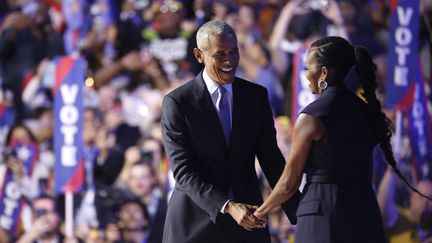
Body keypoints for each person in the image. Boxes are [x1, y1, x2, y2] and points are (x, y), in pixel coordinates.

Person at [161, 20, 300, 243]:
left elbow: (271, 159)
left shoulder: (256, 96)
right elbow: (183, 171)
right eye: (220, 55)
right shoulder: (178, 102)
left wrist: (300, 212)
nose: (230, 61)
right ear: (199, 55)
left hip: (248, 221)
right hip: (195, 224)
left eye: (234, 52)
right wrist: (227, 206)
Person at [253, 36, 392, 243]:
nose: (305, 74)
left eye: (307, 68)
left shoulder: (311, 118)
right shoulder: (367, 111)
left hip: (323, 215)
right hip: (365, 211)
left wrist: (260, 212)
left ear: (324, 72)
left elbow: (289, 184)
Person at [378, 167, 432, 243]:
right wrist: (391, 170)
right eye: (420, 197)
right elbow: (383, 207)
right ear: (411, 198)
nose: (425, 203)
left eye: (430, 198)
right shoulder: (401, 217)